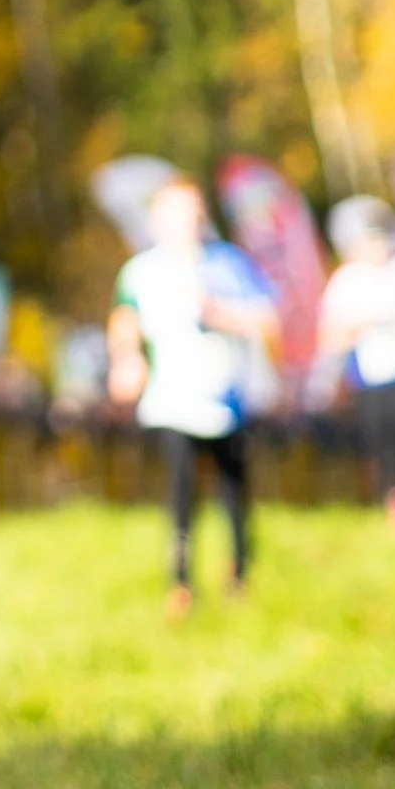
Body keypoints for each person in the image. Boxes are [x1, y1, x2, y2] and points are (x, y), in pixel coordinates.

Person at [107, 174, 280, 615]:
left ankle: (240, 572)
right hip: (172, 398)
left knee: (233, 489)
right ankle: (181, 582)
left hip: (228, 398)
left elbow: (268, 318)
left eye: (195, 212)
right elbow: (124, 320)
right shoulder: (142, 270)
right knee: (181, 489)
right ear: (157, 221)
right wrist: (127, 360)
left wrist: (223, 315)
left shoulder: (230, 265)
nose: (189, 221)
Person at [317, 196, 395, 522]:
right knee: (377, 437)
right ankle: (385, 494)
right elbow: (333, 335)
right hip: (367, 374)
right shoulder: (347, 282)